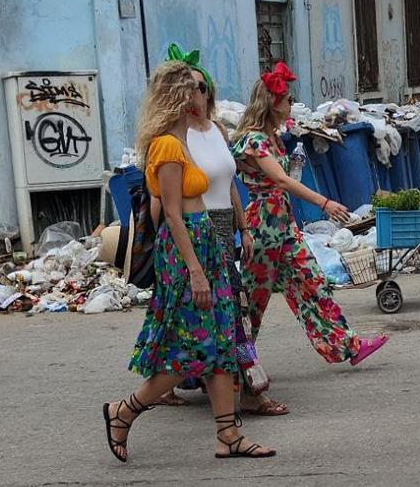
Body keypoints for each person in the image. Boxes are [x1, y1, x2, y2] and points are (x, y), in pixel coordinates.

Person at [101, 59, 275, 462]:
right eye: (194, 88)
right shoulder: (166, 145)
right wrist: (195, 270)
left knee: (219, 344)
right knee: (192, 351)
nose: (202, 94)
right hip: (187, 250)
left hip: (207, 244)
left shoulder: (188, 141)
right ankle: (123, 411)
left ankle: (228, 435)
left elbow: (221, 187)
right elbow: (172, 214)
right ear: (179, 96)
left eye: (203, 87)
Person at [232, 62, 389, 411]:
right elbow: (282, 181)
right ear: (272, 103)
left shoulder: (273, 137)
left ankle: (347, 346)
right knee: (252, 306)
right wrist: (325, 202)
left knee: (313, 283)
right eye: (287, 99)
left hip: (283, 226)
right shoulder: (252, 141)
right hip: (262, 230)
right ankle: (234, 369)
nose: (291, 105)